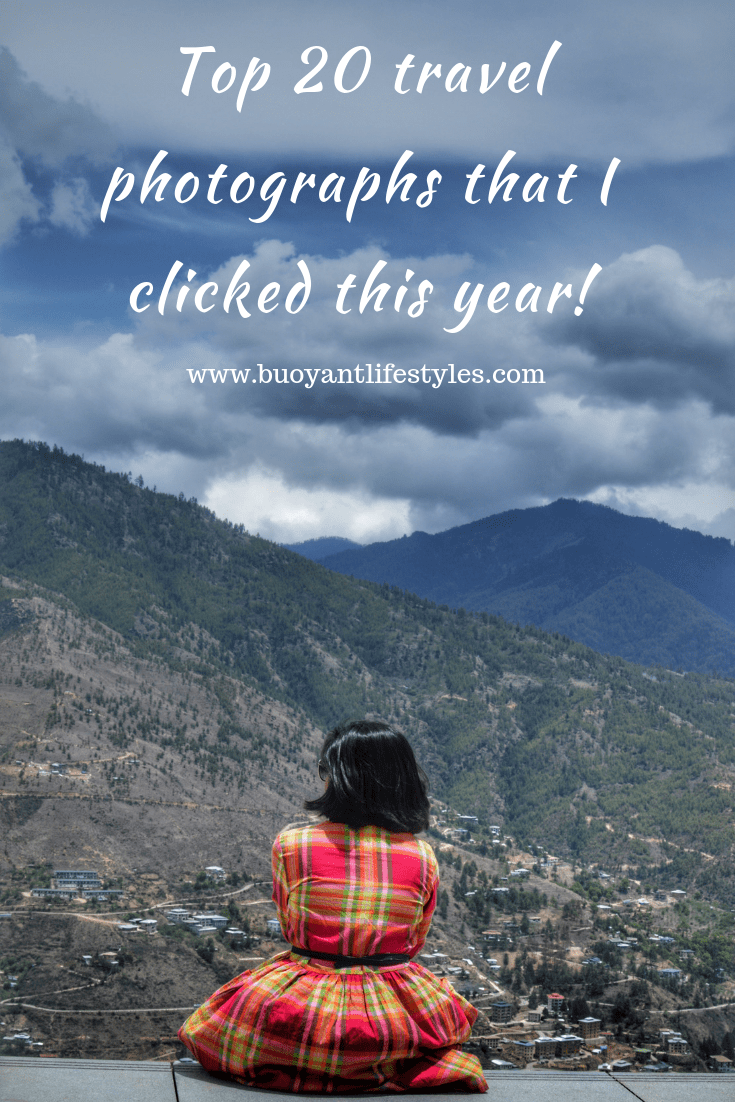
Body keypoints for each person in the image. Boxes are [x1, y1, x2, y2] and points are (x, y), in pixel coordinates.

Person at [178, 720, 488, 1093]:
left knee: (210, 1032)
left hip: (305, 1007)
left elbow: (292, 925)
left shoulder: (293, 844)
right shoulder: (422, 856)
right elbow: (413, 943)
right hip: (391, 1016)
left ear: (335, 778)